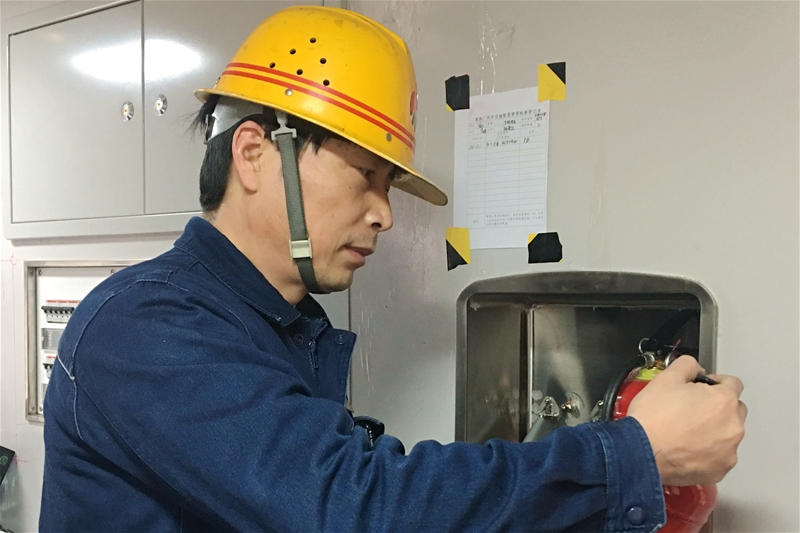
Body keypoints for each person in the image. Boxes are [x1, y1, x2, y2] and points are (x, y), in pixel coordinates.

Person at [39, 6, 746, 532]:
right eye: (366, 177)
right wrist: (633, 454)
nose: (384, 213)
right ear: (255, 154)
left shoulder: (279, 330)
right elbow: (353, 505)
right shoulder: (144, 325)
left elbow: (362, 486)